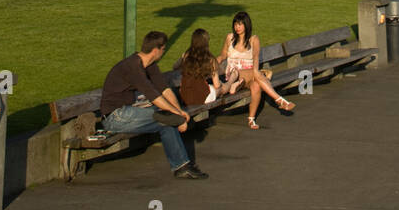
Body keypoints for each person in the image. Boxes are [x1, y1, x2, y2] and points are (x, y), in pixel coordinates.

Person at [100, 30, 207, 179]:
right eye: (163, 49)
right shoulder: (133, 67)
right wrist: (179, 116)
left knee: (165, 120)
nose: (163, 52)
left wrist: (179, 112)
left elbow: (164, 89)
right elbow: (155, 97)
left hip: (129, 111)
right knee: (164, 117)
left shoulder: (149, 65)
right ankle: (182, 166)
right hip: (115, 117)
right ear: (156, 50)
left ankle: (181, 167)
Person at [218, 12, 295, 130]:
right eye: (235, 24)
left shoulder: (253, 39)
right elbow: (223, 55)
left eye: (240, 24)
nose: (237, 27)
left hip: (248, 76)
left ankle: (251, 119)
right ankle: (279, 100)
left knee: (256, 86)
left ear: (246, 25)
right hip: (233, 74)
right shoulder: (230, 38)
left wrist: (255, 72)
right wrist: (212, 63)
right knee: (254, 74)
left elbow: (255, 57)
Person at [174, 29, 224, 106]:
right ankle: (232, 82)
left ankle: (233, 82)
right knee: (221, 88)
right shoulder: (210, 59)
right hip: (202, 97)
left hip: (185, 96)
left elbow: (175, 67)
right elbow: (217, 85)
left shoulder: (186, 55)